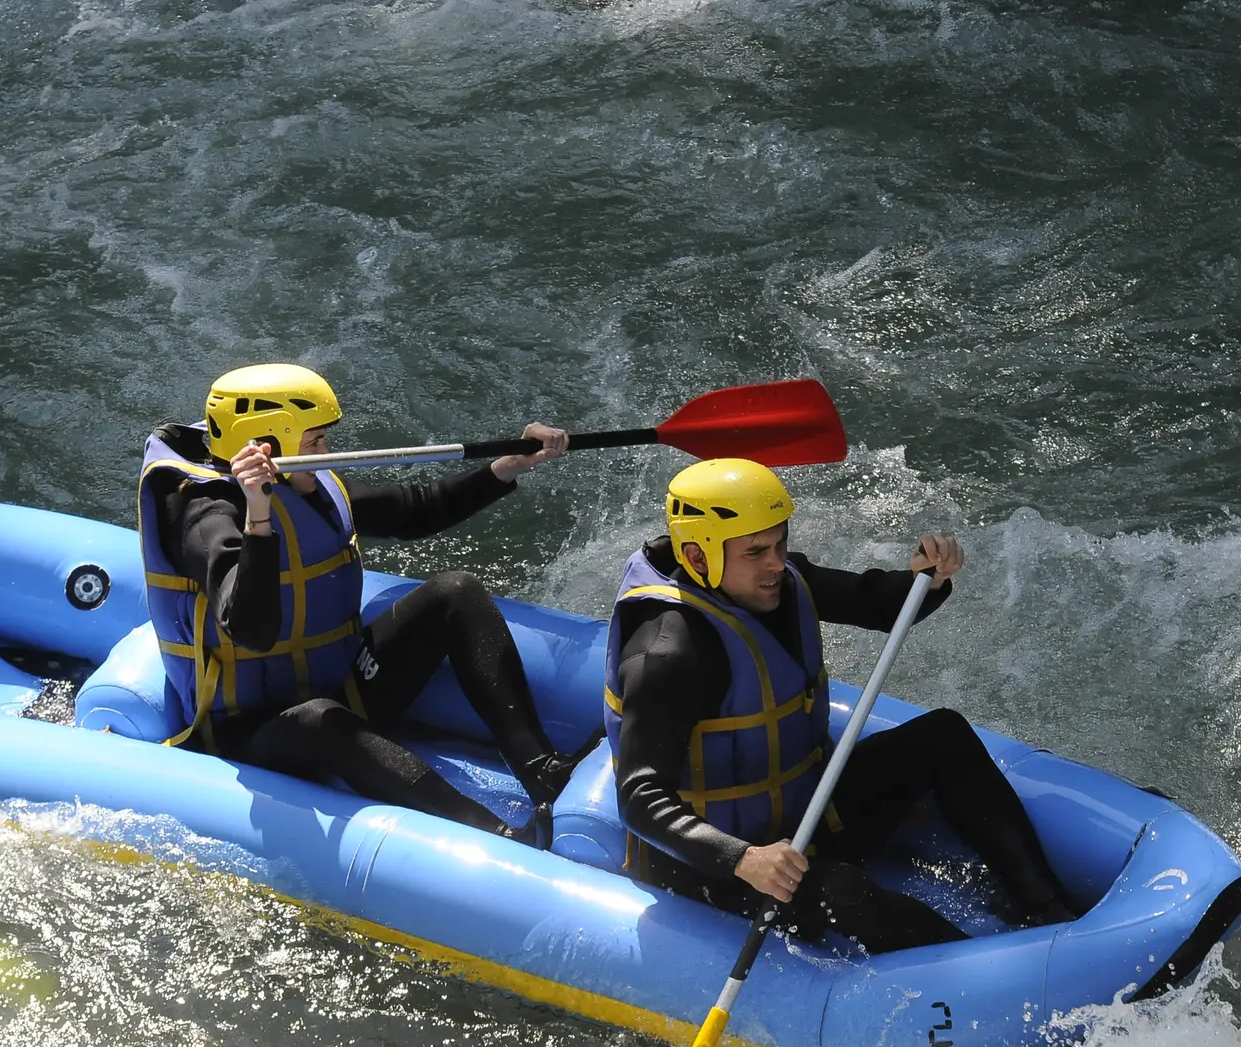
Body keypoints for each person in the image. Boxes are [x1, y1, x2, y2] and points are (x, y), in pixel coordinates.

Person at [603, 458, 1077, 952]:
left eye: (779, 543)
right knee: (841, 891)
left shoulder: (778, 581)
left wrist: (926, 578)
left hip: (805, 812)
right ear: (698, 558)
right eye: (756, 551)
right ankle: (990, 970)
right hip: (715, 867)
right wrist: (744, 859)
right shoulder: (666, 653)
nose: (776, 562)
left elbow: (871, 601)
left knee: (942, 735)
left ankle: (1050, 912)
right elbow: (639, 798)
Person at [138, 363, 582, 846]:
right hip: (251, 730)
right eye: (316, 442)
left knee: (456, 592)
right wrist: (259, 516)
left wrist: (508, 466)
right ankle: (496, 835)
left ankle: (542, 771)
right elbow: (252, 630)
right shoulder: (204, 513)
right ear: (269, 447)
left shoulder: (306, 481)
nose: (327, 453)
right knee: (319, 718)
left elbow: (415, 509)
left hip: (339, 684)